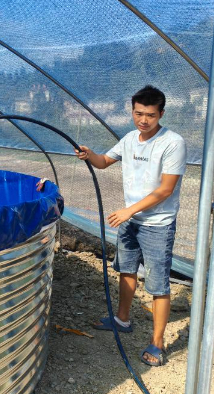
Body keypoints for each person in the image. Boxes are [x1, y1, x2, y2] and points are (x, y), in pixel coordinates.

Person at [75, 85, 186, 367]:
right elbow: (104, 162)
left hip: (157, 224)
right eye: (138, 113)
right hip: (131, 221)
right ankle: (122, 320)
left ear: (161, 114)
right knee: (126, 270)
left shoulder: (172, 143)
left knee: (158, 284)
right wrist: (90, 154)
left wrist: (129, 211)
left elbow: (166, 189)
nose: (143, 120)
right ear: (132, 110)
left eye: (150, 115)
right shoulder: (128, 139)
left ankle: (157, 343)